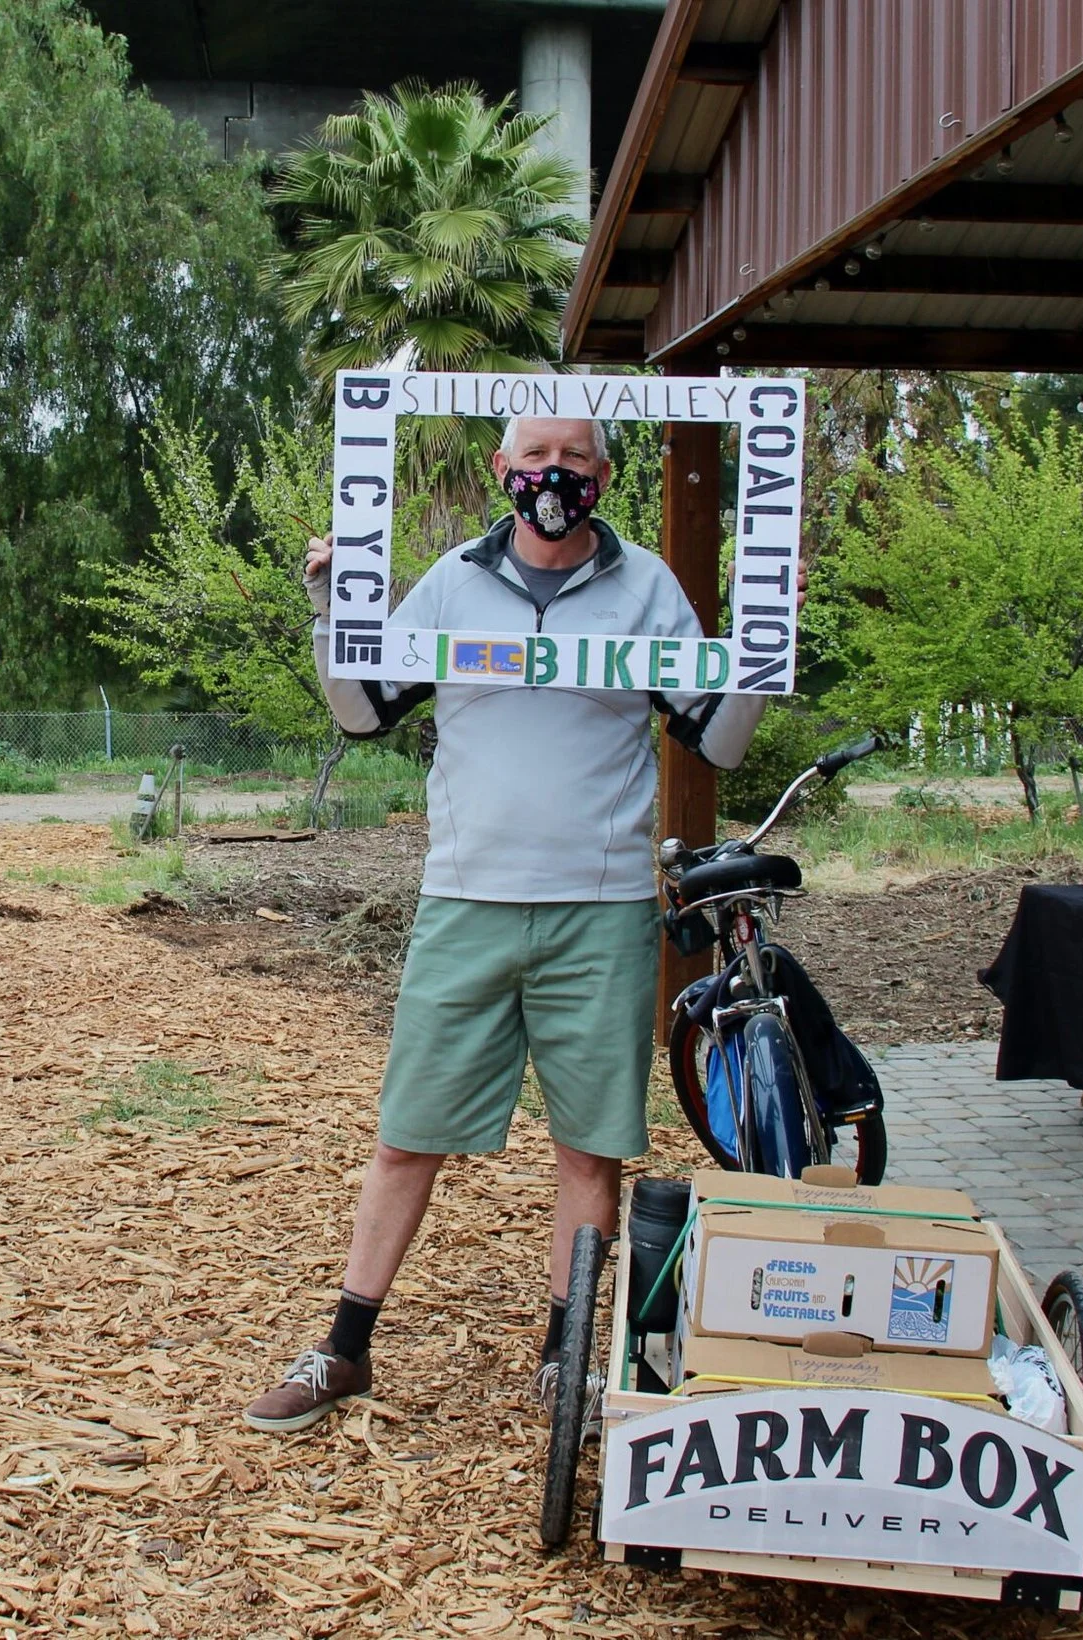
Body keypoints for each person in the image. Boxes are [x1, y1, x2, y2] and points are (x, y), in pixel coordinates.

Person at [242, 414, 766, 1434]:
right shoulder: (454, 581)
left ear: (603, 472)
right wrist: (331, 606)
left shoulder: (646, 586)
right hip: (466, 899)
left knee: (589, 1151)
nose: (553, 475)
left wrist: (758, 639)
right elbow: (362, 710)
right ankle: (344, 1347)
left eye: (573, 458)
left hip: (599, 912)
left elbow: (717, 738)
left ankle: (566, 1362)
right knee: (408, 1136)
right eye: (535, 458)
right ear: (502, 469)